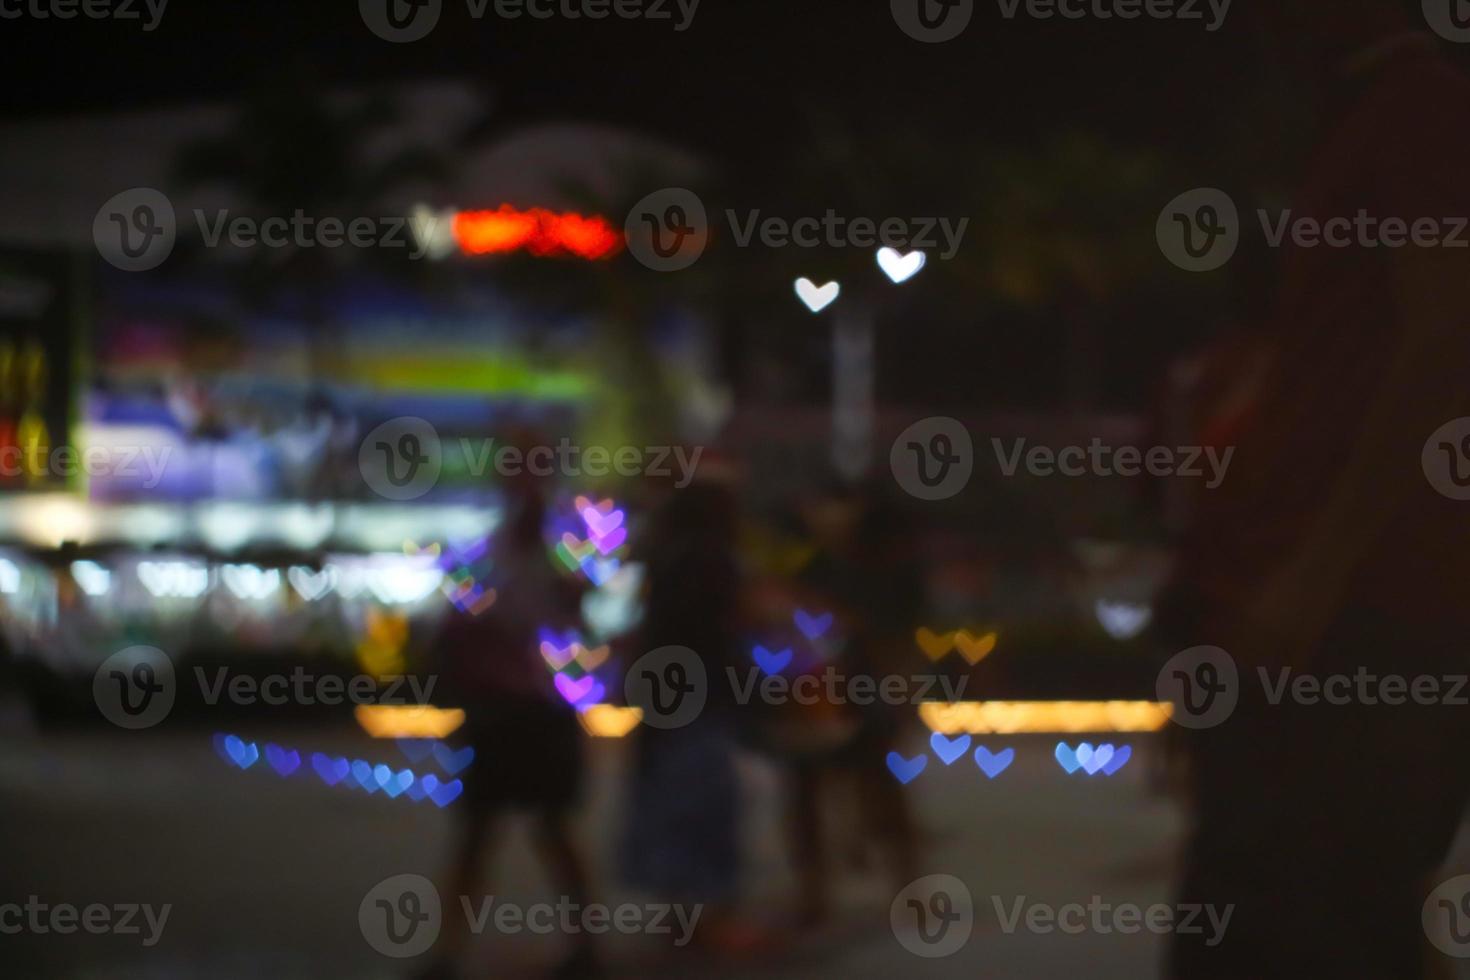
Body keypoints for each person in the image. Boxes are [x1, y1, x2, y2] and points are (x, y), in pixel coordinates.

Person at [1161, 4, 1470, 975]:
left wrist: (1316, 567)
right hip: (1333, 609)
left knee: (1290, 922)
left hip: (1357, 611)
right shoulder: (1370, 117)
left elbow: (1447, 341)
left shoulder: (1418, 110)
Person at [423, 485, 599, 980]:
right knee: (514, 834)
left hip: (521, 713)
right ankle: (450, 953)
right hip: (518, 713)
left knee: (513, 834)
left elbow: (460, 632)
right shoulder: (511, 562)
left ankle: (449, 953)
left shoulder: (519, 563)